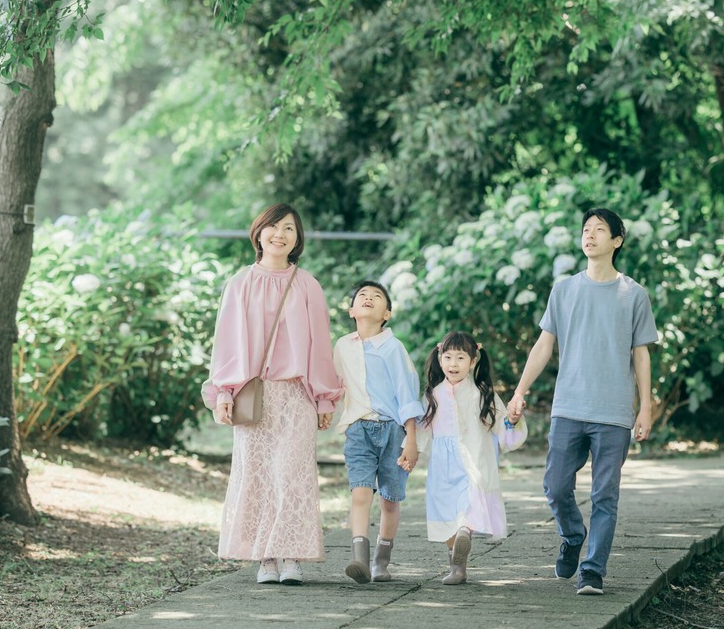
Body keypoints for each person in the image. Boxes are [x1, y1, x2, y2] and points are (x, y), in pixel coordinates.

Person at [507, 208, 658, 595]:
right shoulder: (564, 290)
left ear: (617, 241)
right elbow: (544, 345)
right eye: (586, 229)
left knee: (605, 494)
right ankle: (573, 536)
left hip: (614, 411)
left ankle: (593, 569)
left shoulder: (634, 294)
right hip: (569, 407)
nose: (589, 235)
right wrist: (520, 390)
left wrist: (645, 405)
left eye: (599, 230)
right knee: (555, 487)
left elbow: (641, 354)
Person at [202, 203, 342, 586]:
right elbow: (227, 343)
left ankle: (292, 556)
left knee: (292, 474)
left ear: (297, 240)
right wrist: (224, 392)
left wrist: (324, 397)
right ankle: (266, 559)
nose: (280, 234)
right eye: (274, 227)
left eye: (290, 229)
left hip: (297, 395)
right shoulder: (240, 283)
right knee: (260, 476)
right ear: (259, 232)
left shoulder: (307, 285)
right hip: (255, 395)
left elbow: (319, 345)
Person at [417, 331, 527, 585]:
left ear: (473, 361)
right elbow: (423, 431)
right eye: (448, 357)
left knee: (469, 505)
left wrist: (512, 419)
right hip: (443, 466)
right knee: (445, 514)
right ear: (439, 358)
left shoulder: (483, 394)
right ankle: (457, 566)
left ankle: (466, 532)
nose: (453, 364)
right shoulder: (433, 395)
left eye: (460, 357)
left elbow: (504, 429)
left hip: (474, 458)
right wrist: (410, 453)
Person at [333, 280, 423, 583]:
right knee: (360, 492)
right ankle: (358, 558)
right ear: (351, 310)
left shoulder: (393, 348)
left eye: (377, 297)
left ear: (387, 314)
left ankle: (381, 560)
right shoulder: (343, 346)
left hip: (393, 431)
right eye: (362, 296)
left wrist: (412, 439)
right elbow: (335, 384)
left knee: (389, 499)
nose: (368, 298)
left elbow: (406, 393)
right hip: (358, 429)